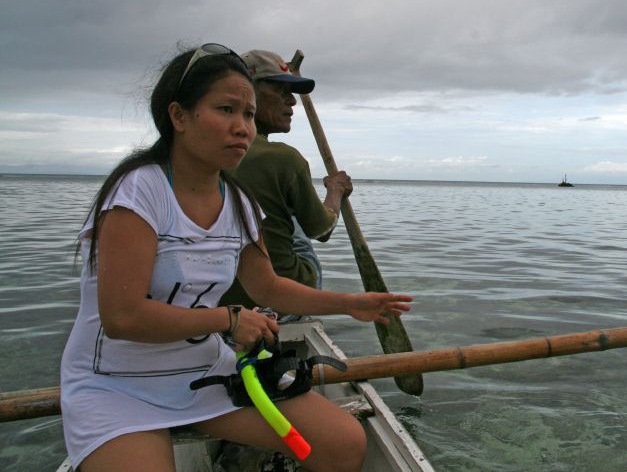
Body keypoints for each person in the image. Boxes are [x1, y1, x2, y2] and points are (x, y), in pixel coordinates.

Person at [60, 43, 413, 472]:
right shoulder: (139, 192)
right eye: (226, 109)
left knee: (342, 441)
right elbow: (123, 318)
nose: (242, 127)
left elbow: (267, 286)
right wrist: (228, 320)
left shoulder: (239, 202)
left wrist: (351, 304)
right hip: (117, 386)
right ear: (179, 116)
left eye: (247, 114)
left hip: (203, 373)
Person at [219, 50, 350, 313]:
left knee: (274, 206)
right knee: (293, 215)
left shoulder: (201, 151)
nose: (292, 102)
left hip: (216, 299)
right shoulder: (284, 159)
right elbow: (322, 232)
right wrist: (335, 191)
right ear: (247, 93)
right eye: (281, 90)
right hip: (284, 298)